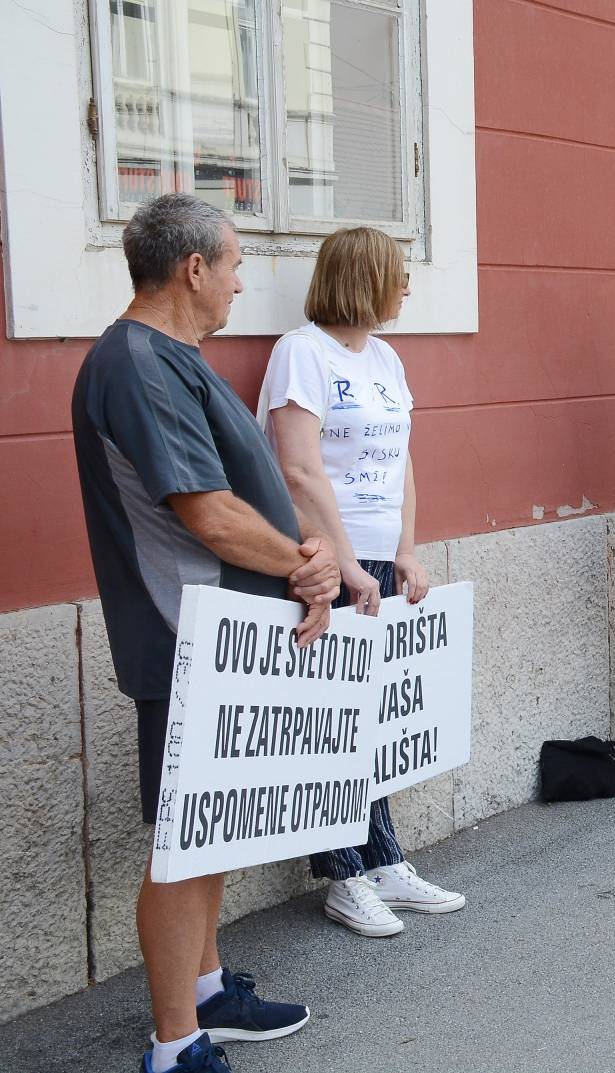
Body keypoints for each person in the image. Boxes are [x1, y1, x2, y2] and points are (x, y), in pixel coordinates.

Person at [71, 192, 334, 1073]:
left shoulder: (167, 356)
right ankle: (174, 1044)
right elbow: (209, 513)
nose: (238, 282)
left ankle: (211, 993)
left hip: (220, 639)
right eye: (232, 265)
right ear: (193, 269)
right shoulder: (138, 363)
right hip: (187, 637)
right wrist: (305, 562)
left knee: (211, 827)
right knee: (184, 839)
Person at [258, 227, 465, 936]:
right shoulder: (300, 354)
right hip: (324, 558)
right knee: (331, 723)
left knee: (375, 719)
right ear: (363, 278)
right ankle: (342, 874)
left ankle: (383, 859)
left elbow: (401, 459)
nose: (407, 285)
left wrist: (406, 549)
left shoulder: (385, 357)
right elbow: (299, 469)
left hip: (380, 556)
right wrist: (343, 561)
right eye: (398, 273)